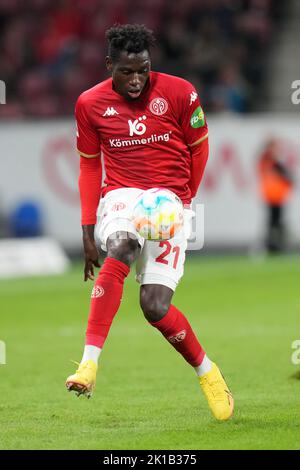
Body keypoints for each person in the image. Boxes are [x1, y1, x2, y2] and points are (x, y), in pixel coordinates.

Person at [66, 24, 234, 421]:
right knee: (123, 244)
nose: (137, 79)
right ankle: (89, 364)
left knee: (154, 306)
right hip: (121, 197)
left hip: (170, 203)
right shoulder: (89, 104)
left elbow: (199, 148)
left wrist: (183, 202)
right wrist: (88, 231)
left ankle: (207, 371)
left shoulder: (180, 92)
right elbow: (90, 169)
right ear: (110, 65)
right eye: (127, 71)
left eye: (143, 69)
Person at [258, 139, 294, 253]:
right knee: (275, 222)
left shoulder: (266, 161)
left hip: (275, 196)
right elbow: (287, 176)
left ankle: (274, 245)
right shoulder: (270, 161)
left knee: (274, 222)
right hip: (274, 196)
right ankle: (274, 246)